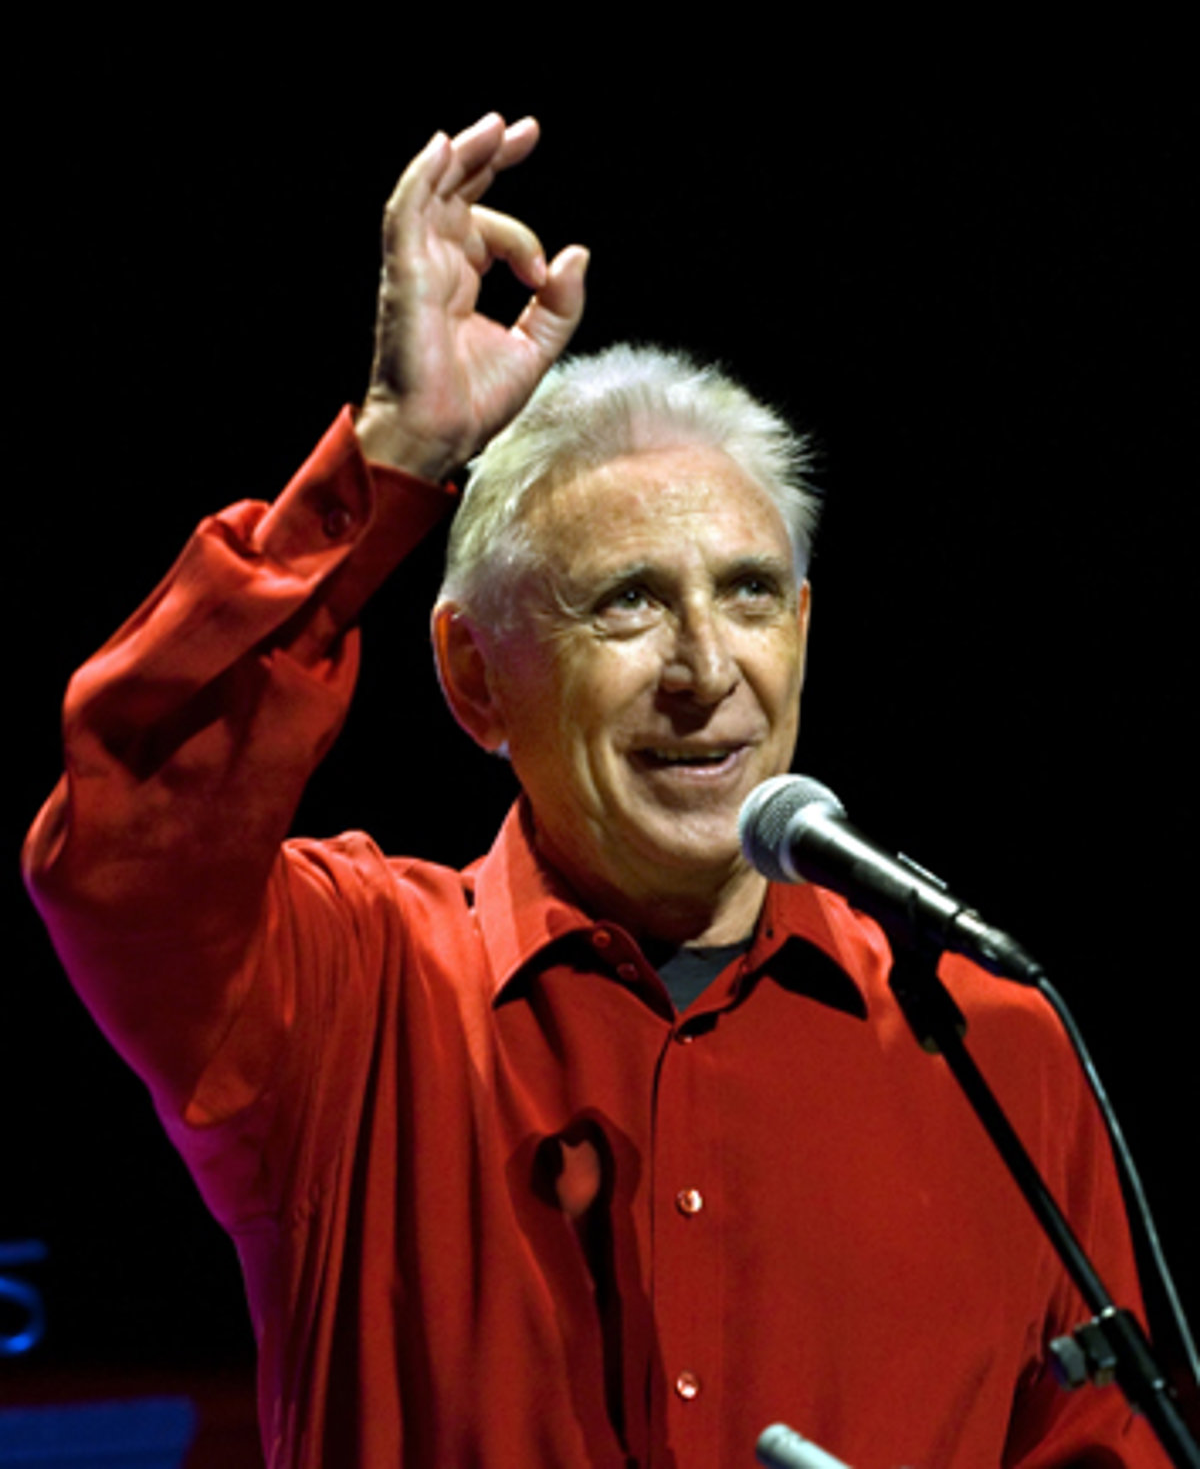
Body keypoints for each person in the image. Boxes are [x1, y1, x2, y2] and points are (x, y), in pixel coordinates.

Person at [23, 115, 1163, 1468]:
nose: (707, 671)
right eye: (627, 600)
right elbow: (128, 833)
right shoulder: (345, 992)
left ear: (803, 629)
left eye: (749, 593)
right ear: (474, 678)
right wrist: (391, 453)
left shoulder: (993, 1047)